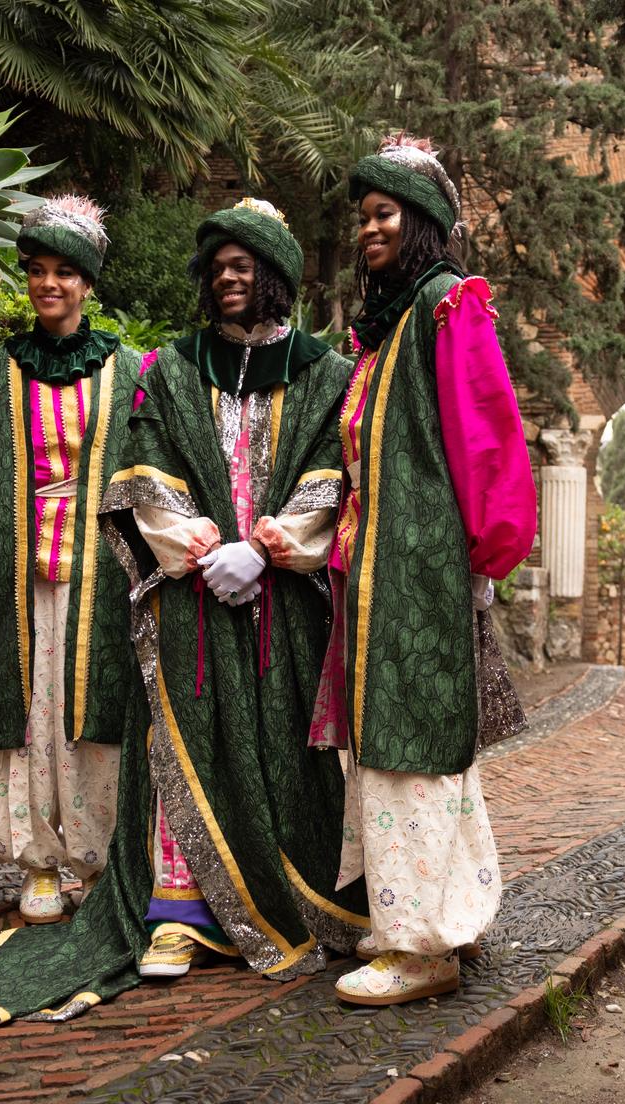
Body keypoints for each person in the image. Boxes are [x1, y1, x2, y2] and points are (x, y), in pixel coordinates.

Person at [102, 197, 371, 981]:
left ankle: (298, 900)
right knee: (184, 744)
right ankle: (178, 919)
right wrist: (197, 549)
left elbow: (338, 471)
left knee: (286, 747)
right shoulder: (173, 367)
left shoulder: (327, 374)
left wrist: (268, 549)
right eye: (217, 266)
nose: (226, 277)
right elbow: (144, 465)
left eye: (242, 265)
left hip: (285, 599)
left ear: (276, 276)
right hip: (193, 594)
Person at [311, 135, 537, 1006]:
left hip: (420, 570)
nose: (369, 229)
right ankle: (440, 916)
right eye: (362, 217)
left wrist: (486, 552)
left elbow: (488, 433)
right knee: (398, 754)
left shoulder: (448, 307)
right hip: (374, 573)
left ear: (424, 224)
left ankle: (422, 949)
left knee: (415, 753)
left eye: (384, 215)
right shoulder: (390, 326)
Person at [0, 192, 150, 926]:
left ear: (88, 283)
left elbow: (153, 470)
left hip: (104, 573)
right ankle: (40, 863)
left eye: (65, 273)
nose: (49, 284)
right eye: (37, 270)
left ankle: (101, 856)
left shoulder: (131, 369)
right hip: (19, 576)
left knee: (94, 713)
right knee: (33, 716)